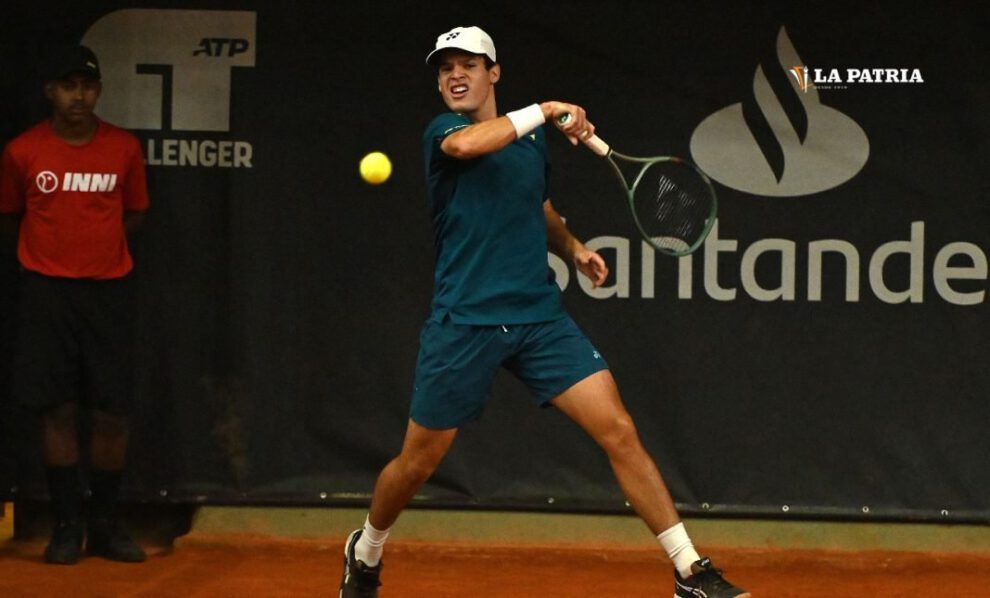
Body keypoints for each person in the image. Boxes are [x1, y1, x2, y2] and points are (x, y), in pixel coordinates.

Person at [339, 26, 749, 598]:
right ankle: (366, 550)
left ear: (493, 72)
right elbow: (467, 148)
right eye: (444, 68)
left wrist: (573, 248)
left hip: (538, 319)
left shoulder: (530, 144)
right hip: (465, 323)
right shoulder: (446, 132)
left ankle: (689, 570)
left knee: (619, 431)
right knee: (416, 465)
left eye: (468, 64)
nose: (455, 75)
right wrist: (546, 108)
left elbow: (541, 208)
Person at [0, 44, 149, 564]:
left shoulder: (124, 149)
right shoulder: (22, 151)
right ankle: (66, 527)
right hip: (46, 294)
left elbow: (133, 214)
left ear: (99, 90)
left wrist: (97, 253)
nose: (78, 95)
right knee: (57, 410)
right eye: (67, 86)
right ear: (50, 91)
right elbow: (13, 214)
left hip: (109, 291)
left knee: (113, 413)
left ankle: (104, 527)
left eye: (86, 85)